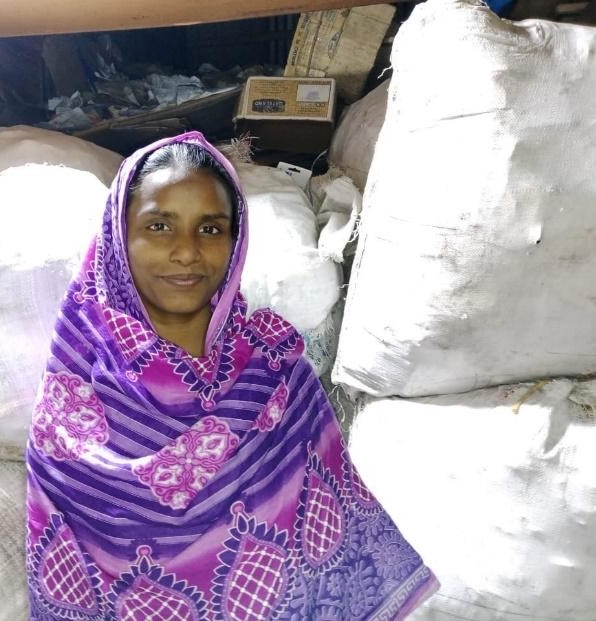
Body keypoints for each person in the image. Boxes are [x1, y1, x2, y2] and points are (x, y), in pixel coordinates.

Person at [25, 131, 437, 620]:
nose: (186, 252)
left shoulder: (279, 378)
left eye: (211, 229)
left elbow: (332, 571)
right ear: (119, 235)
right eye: (159, 226)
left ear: (236, 241)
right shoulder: (71, 405)